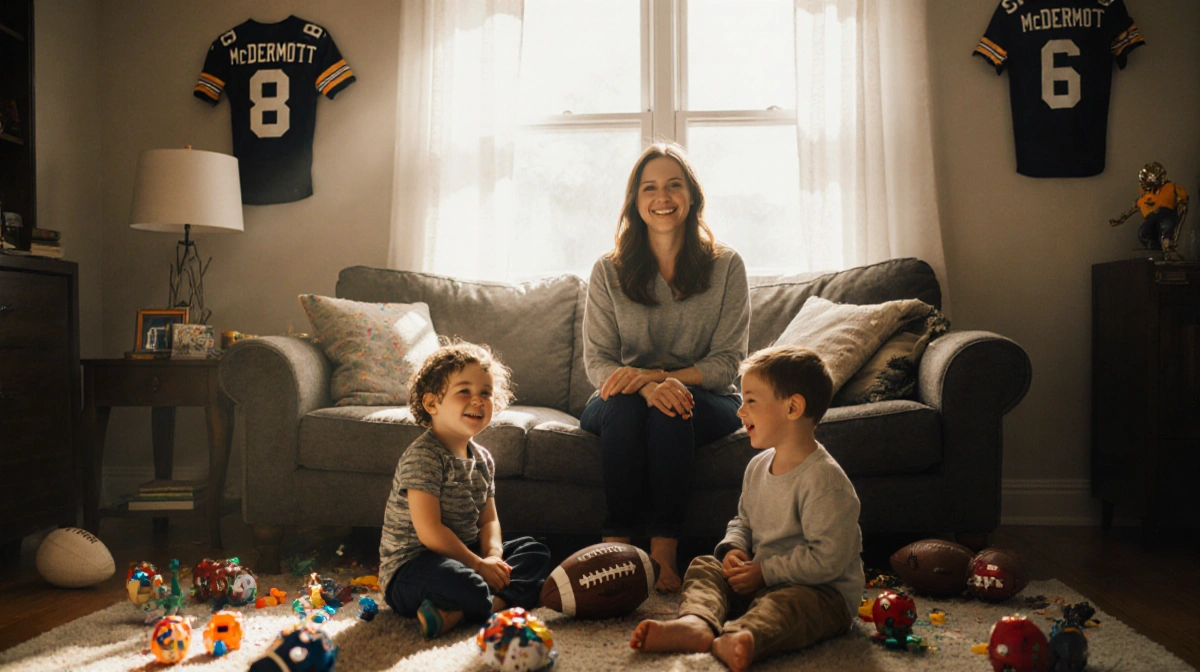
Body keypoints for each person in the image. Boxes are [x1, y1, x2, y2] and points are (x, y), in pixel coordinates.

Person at [630, 345, 865, 672]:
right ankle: (697, 623)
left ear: (793, 407)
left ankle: (744, 634)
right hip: (762, 578)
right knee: (705, 565)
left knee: (788, 605)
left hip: (822, 594)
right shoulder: (758, 466)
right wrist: (735, 549)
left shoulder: (825, 480)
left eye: (751, 401)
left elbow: (828, 560)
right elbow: (743, 521)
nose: (741, 412)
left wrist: (764, 571)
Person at [581, 142, 749, 593]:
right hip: (621, 397)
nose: (663, 197)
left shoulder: (727, 266)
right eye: (649, 188)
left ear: (691, 195)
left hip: (707, 396)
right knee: (626, 408)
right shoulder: (608, 270)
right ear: (635, 202)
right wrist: (641, 387)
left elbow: (727, 362)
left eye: (674, 185)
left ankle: (663, 554)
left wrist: (660, 381)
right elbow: (598, 361)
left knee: (673, 404)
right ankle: (614, 546)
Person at [378, 341, 552, 639]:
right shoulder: (424, 457)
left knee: (536, 552)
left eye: (485, 393)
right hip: (413, 569)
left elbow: (489, 521)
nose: (478, 400)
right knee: (460, 581)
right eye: (465, 392)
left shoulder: (482, 459)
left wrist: (493, 557)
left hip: (468, 556)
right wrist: (477, 566)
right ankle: (495, 601)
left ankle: (458, 612)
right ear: (432, 403)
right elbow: (430, 532)